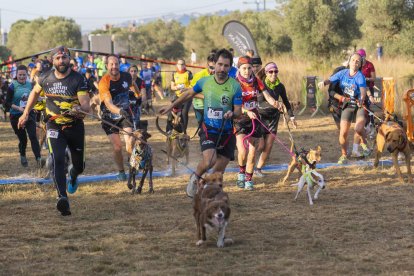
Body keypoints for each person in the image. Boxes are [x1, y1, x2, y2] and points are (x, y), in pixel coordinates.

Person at [159, 48, 242, 198]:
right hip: (209, 128)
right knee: (209, 160)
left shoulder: (235, 86)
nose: (222, 68)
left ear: (230, 67)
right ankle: (195, 178)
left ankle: (208, 192)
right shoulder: (205, 82)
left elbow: (238, 111)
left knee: (219, 170)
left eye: (226, 66)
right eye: (220, 64)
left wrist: (232, 114)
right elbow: (189, 94)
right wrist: (172, 106)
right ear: (214, 65)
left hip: (227, 132)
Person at [18, 46, 90, 216]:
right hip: (53, 125)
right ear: (52, 60)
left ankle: (73, 174)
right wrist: (26, 112)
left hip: (75, 126)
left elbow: (86, 104)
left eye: (64, 58)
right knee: (57, 158)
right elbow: (34, 93)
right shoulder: (45, 78)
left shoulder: (78, 79)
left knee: (79, 165)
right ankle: (62, 198)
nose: (61, 61)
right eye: (58, 58)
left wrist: (80, 109)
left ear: (69, 59)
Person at [318, 52, 369, 164]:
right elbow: (330, 80)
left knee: (358, 128)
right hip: (348, 105)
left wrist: (361, 99)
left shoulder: (360, 76)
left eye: (357, 61)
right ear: (349, 61)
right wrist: (324, 82)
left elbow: (362, 91)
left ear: (360, 65)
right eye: (353, 60)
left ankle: (364, 145)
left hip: (359, 105)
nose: (355, 63)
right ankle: (344, 155)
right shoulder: (343, 73)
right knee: (343, 132)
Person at [234, 56, 275, 190]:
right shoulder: (234, 83)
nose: (247, 71)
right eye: (244, 68)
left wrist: (276, 103)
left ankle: (248, 179)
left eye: (249, 68)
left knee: (252, 151)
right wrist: (246, 111)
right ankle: (241, 172)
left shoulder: (257, 81)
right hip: (239, 119)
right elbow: (235, 105)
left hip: (254, 119)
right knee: (243, 151)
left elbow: (267, 97)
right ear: (239, 68)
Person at [99, 55, 139, 181]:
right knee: (117, 147)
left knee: (130, 140)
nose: (114, 67)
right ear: (107, 66)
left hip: (125, 114)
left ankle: (132, 164)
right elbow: (109, 104)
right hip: (109, 116)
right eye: (111, 64)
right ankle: (121, 172)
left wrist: (137, 94)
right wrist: (120, 110)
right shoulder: (104, 82)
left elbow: (133, 84)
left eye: (116, 64)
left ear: (119, 65)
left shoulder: (126, 76)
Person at [255, 62, 297, 176]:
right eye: (271, 72)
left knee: (268, 146)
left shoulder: (280, 86)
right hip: (260, 117)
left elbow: (286, 102)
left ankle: (258, 169)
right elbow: (260, 103)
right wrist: (275, 104)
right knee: (260, 145)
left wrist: (291, 117)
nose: (274, 74)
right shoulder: (261, 85)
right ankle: (249, 163)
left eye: (276, 71)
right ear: (266, 73)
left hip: (273, 118)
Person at [5, 65, 43, 167]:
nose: (22, 77)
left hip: (29, 114)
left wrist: (40, 99)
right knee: (23, 139)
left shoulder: (30, 85)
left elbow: (34, 97)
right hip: (16, 116)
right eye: (20, 75)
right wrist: (19, 108)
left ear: (27, 75)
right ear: (16, 75)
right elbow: (7, 103)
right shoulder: (12, 86)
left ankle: (38, 158)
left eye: (24, 75)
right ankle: (22, 155)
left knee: (33, 136)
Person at [350, 49, 376, 157]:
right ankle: (363, 145)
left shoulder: (369, 65)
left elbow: (371, 80)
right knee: (358, 126)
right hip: (353, 99)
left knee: (362, 121)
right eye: (355, 60)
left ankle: (370, 128)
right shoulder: (351, 71)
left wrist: (369, 95)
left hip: (366, 93)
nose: (358, 61)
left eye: (361, 58)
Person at [190, 51, 216, 125]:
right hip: (200, 106)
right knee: (203, 129)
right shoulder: (199, 75)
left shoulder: (220, 75)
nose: (214, 70)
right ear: (207, 65)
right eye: (211, 67)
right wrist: (205, 97)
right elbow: (191, 93)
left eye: (216, 67)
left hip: (215, 107)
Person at [170, 59, 193, 133]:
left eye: (182, 64)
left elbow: (192, 85)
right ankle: (171, 130)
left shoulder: (188, 73)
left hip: (187, 96)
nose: (181, 66)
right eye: (179, 64)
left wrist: (185, 88)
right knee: (172, 113)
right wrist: (176, 87)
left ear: (185, 65)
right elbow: (172, 87)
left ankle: (184, 131)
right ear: (177, 65)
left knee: (184, 112)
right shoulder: (174, 74)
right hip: (177, 96)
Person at [128, 65, 145, 129]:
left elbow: (143, 93)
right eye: (131, 71)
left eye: (135, 71)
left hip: (137, 105)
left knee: (136, 123)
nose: (133, 73)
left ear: (137, 72)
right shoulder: (126, 81)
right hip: (127, 105)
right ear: (129, 72)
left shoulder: (141, 81)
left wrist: (142, 98)